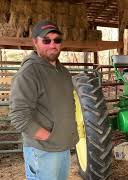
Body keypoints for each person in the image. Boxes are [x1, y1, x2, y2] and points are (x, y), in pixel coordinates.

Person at [9, 20, 79, 180]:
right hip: (42, 150)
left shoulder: (63, 72)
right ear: (35, 42)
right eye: (46, 40)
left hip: (63, 148)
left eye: (57, 40)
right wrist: (49, 137)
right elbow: (18, 116)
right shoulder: (29, 73)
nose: (53, 44)